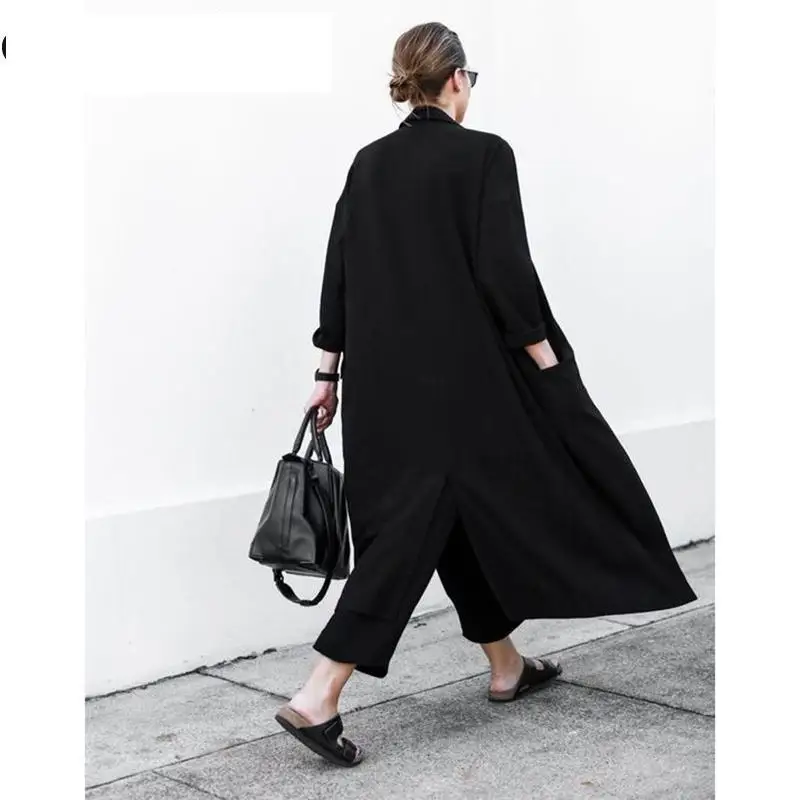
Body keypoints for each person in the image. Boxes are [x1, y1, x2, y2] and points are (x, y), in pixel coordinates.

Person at [273, 22, 698, 767]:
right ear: (456, 79)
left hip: (381, 386)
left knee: (445, 518)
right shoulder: (484, 154)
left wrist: (325, 374)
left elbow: (338, 269)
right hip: (463, 382)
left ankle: (506, 666)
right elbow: (503, 267)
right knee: (413, 531)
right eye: (470, 79)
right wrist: (543, 356)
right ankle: (318, 695)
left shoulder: (368, 163)